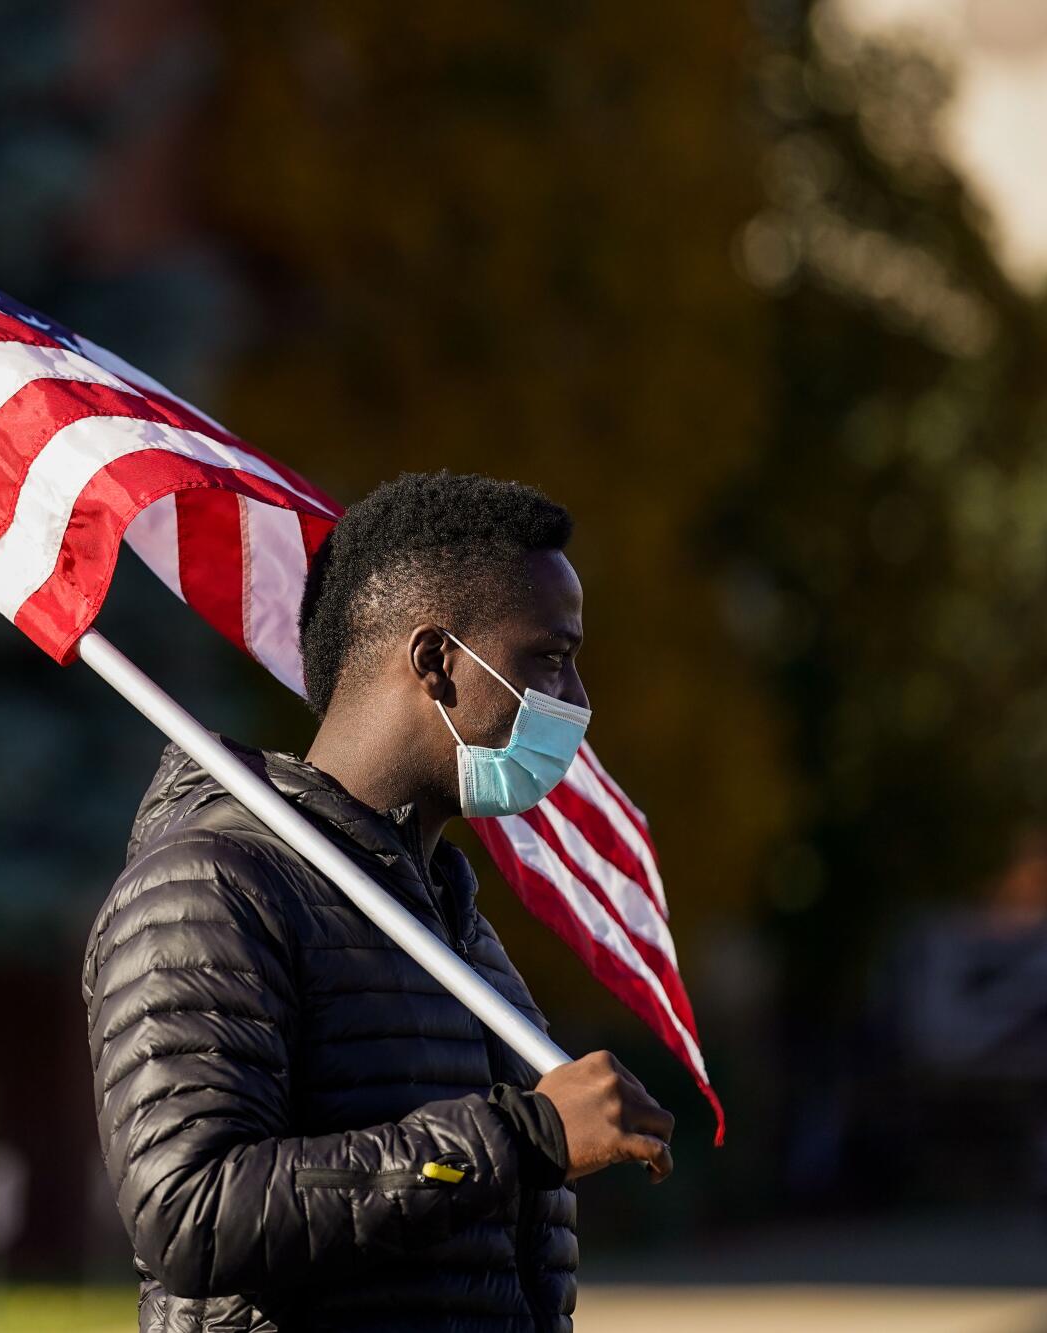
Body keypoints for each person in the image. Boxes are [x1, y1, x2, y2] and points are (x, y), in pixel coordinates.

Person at [81, 470, 676, 1332]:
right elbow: (191, 1211)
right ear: (437, 661)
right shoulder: (212, 884)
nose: (575, 701)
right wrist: (525, 1137)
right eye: (550, 657)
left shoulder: (450, 912)